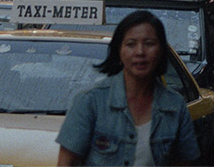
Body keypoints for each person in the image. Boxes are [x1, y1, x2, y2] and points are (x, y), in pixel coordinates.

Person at [57, 10, 199, 166]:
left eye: (149, 44)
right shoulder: (90, 102)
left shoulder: (175, 107)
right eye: (131, 44)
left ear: (161, 51)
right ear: (119, 50)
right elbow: (66, 162)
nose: (140, 52)